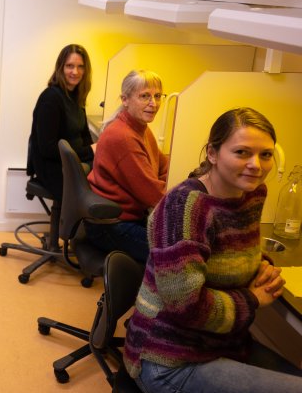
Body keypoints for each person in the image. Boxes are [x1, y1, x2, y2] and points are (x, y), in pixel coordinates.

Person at [124, 108, 302, 392]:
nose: (256, 164)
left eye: (266, 154)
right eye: (242, 152)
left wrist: (260, 266)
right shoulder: (185, 208)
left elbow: (232, 249)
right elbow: (185, 306)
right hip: (169, 358)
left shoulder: (253, 192)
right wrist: (252, 299)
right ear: (212, 153)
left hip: (225, 343)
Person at [85, 70, 169, 263]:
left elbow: (163, 164)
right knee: (172, 256)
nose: (153, 103)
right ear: (125, 99)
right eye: (145, 96)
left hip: (124, 217)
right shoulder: (124, 137)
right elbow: (154, 195)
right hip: (112, 226)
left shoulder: (140, 128)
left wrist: (161, 180)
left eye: (157, 96)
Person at [27, 43, 94, 201]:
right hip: (53, 167)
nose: (75, 72)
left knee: (106, 176)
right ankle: (73, 225)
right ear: (61, 68)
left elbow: (85, 136)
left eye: (80, 67)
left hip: (72, 162)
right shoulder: (50, 98)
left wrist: (95, 152)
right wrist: (91, 151)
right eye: (69, 66)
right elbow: (48, 149)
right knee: (97, 190)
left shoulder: (76, 97)